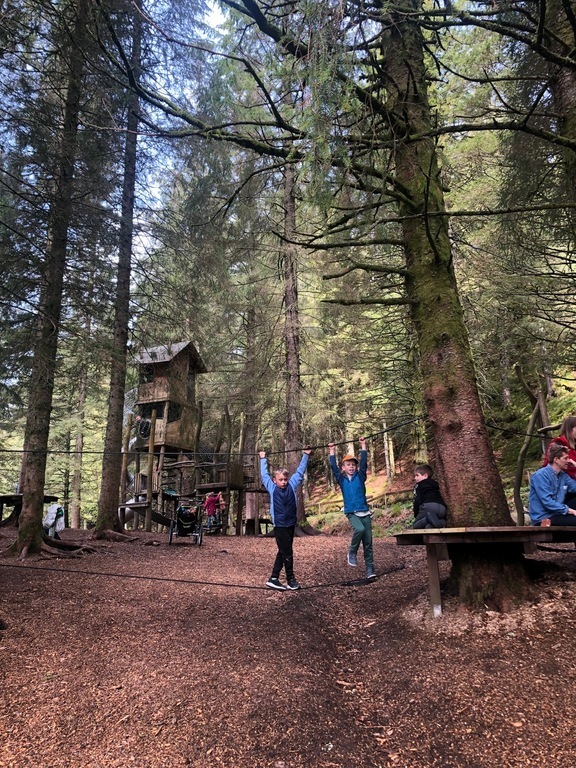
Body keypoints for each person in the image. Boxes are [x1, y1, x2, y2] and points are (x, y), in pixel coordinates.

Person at [259, 447, 312, 591]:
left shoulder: (292, 484)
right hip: (280, 525)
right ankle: (290, 579)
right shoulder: (271, 487)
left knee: (283, 551)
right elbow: (264, 475)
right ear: (275, 480)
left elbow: (300, 472)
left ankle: (274, 578)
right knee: (287, 552)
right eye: (280, 480)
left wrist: (306, 455)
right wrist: (263, 459)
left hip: (290, 524)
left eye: (285, 479)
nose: (283, 482)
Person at [328, 437, 376, 580]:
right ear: (343, 467)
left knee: (368, 542)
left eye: (353, 465)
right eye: (348, 465)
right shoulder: (341, 480)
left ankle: (370, 568)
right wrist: (331, 450)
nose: (351, 467)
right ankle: (352, 552)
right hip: (351, 512)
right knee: (359, 529)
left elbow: (363, 463)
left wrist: (362, 445)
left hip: (364, 511)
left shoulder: (360, 477)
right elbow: (333, 467)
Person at [529, 442, 576, 526]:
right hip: (544, 517)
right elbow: (547, 502)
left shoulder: (563, 476)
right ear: (556, 460)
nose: (569, 461)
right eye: (566, 458)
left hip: (558, 513)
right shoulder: (540, 476)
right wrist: (571, 511)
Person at [412, 464, 448, 529]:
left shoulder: (418, 485)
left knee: (416, 526)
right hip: (442, 508)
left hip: (429, 507)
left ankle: (428, 518)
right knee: (428, 526)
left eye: (417, 475)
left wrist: (416, 515)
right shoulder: (436, 483)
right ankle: (442, 522)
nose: (415, 478)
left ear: (425, 475)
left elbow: (417, 501)